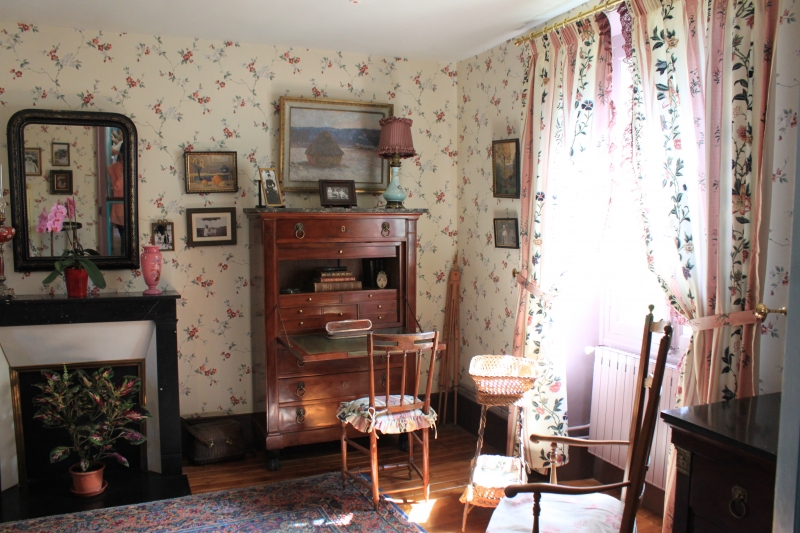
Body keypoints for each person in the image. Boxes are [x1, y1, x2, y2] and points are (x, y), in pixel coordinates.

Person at [107, 138, 126, 254]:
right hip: (120, 206)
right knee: (124, 239)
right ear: (121, 153)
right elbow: (117, 186)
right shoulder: (112, 168)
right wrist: (123, 173)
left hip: (134, 206)